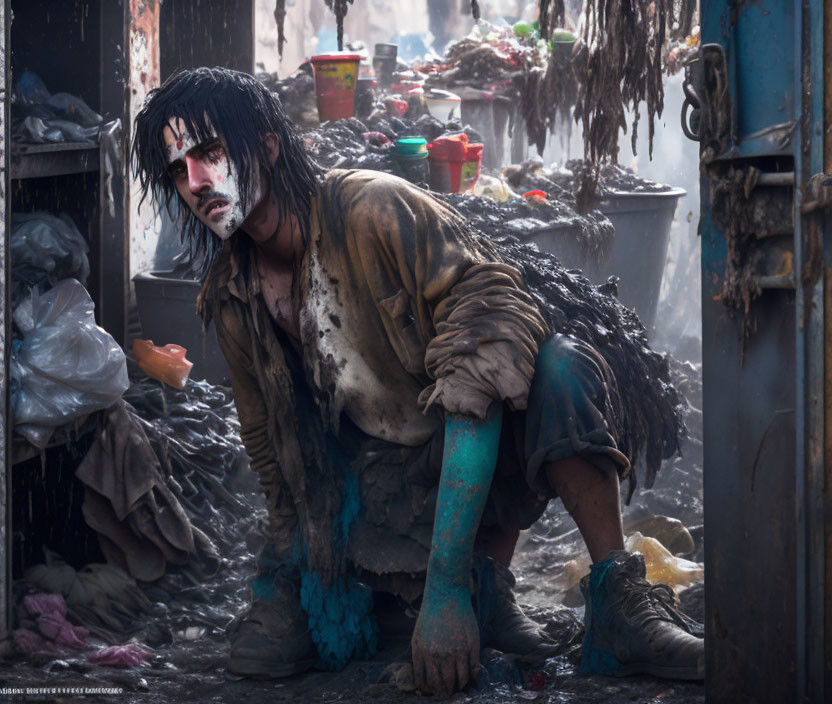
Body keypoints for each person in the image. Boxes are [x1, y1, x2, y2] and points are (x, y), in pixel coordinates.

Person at [132, 67, 703, 694]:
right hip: (386, 485)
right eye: (178, 170)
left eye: (211, 152)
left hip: (482, 447)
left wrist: (447, 588)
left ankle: (618, 602)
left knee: (560, 369)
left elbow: (492, 339)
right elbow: (270, 448)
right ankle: (478, 595)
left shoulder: (373, 208)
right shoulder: (233, 292)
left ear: (267, 144)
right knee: (270, 654)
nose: (197, 182)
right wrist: (298, 576)